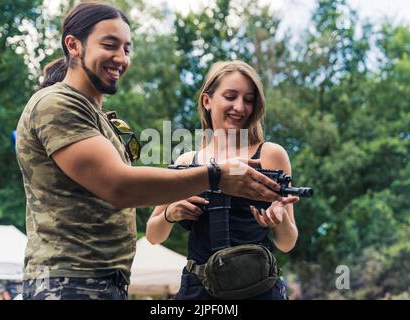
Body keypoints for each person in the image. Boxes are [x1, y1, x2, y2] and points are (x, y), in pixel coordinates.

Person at [15, 3, 282, 300]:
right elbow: (120, 186)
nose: (121, 57)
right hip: (68, 280)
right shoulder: (57, 104)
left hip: (102, 280)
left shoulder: (101, 118)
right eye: (109, 44)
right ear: (73, 45)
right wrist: (215, 178)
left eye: (127, 48)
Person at [146, 60, 299, 300]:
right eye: (230, 96)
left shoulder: (271, 155)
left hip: (259, 289)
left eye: (248, 100)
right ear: (207, 101)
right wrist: (170, 214)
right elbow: (153, 235)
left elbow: (287, 243)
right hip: (199, 291)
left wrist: (278, 220)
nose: (240, 107)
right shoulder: (187, 162)